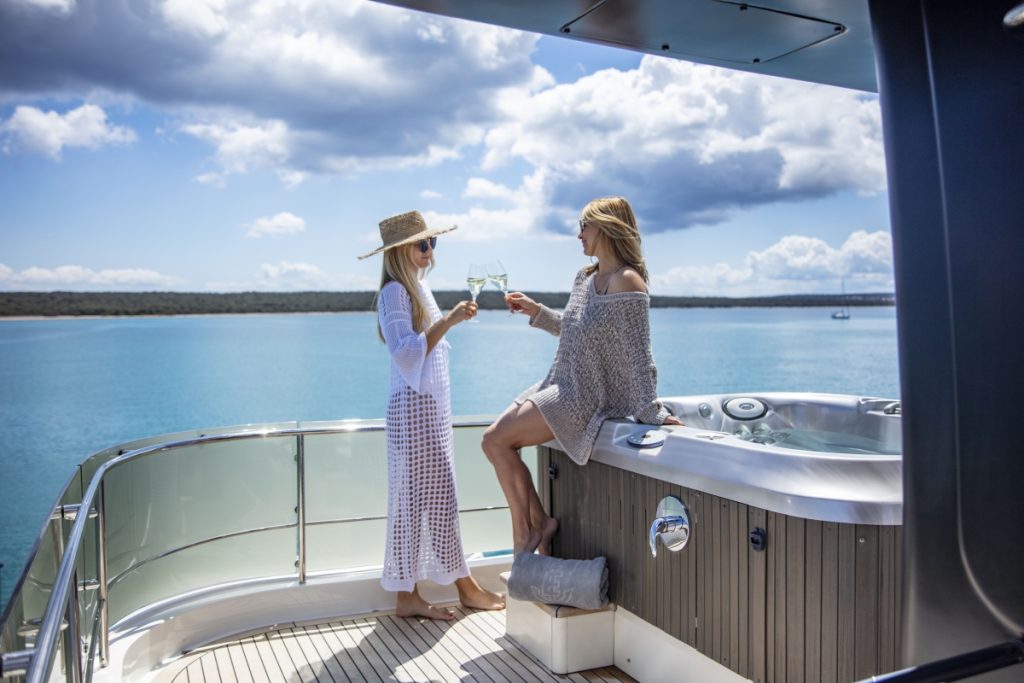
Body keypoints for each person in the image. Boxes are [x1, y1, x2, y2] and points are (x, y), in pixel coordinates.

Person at [482, 196, 683, 555]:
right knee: (494, 440)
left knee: (495, 440)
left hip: (583, 398)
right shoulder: (584, 278)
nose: (579, 235)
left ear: (606, 227)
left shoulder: (628, 281)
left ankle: (527, 534)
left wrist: (652, 411)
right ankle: (538, 527)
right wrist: (536, 311)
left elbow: (640, 356)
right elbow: (574, 331)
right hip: (560, 384)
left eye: (584, 226)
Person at [359, 210, 505, 620]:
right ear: (400, 250)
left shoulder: (415, 288)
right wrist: (451, 320)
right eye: (423, 244)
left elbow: (419, 350)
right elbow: (406, 352)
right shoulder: (394, 293)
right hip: (413, 410)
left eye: (432, 243)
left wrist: (448, 320)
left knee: (432, 498)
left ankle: (439, 590)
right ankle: (449, 590)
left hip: (427, 408)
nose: (430, 250)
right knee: (424, 499)